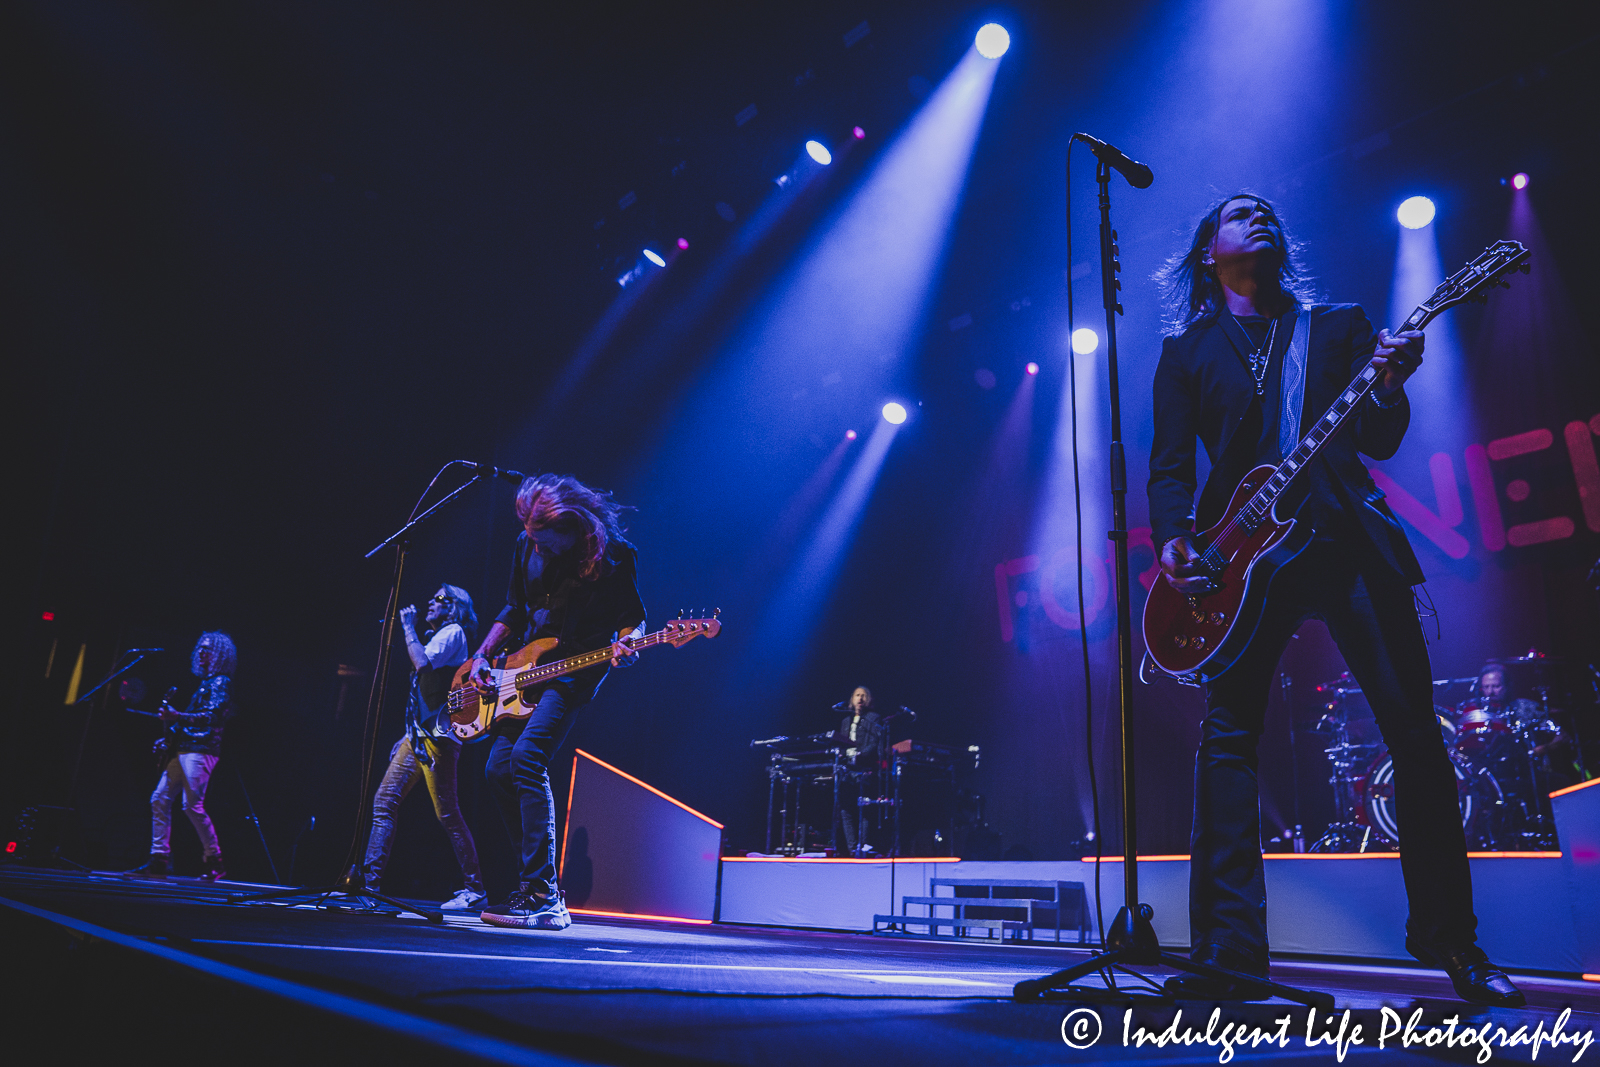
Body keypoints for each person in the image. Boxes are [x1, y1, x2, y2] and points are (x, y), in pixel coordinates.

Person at [1147, 193, 1523, 1005]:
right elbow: (1171, 466)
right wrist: (1176, 539)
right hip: (1241, 561)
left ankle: (1455, 944)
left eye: (1269, 210)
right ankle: (1232, 952)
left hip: (1346, 541)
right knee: (1228, 742)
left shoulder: (1340, 323)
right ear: (1208, 250)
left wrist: (1388, 386)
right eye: (1240, 212)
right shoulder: (1187, 351)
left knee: (1416, 736)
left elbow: (1380, 436)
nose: (1262, 216)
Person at [467, 474, 645, 930]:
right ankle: (533, 884)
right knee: (496, 770)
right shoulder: (525, 544)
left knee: (527, 759)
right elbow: (513, 608)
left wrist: (629, 644)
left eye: (548, 544)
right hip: (523, 669)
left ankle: (544, 895)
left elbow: (633, 619)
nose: (540, 551)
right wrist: (483, 655)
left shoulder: (613, 558)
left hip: (574, 674)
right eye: (534, 542)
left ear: (574, 528)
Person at [354, 584, 486, 910]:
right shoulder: (441, 633)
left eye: (439, 599)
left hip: (439, 738)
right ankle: (369, 887)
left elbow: (422, 663)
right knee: (384, 801)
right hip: (418, 736)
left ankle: (475, 889)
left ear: (454, 607)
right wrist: (407, 733)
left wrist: (408, 628)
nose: (430, 601)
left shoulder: (453, 631)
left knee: (448, 814)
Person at [125, 632, 236, 880]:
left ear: (220, 654)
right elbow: (192, 717)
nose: (201, 652)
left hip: (201, 750)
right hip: (186, 748)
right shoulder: (206, 684)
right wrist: (169, 735)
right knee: (160, 798)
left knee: (191, 806)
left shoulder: (221, 683)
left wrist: (177, 718)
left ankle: (214, 860)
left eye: (208, 649)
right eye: (200, 648)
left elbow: (212, 717)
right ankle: (159, 859)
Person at [834, 686, 882, 855]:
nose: (860, 698)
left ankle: (864, 846)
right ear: (852, 699)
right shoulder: (845, 721)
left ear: (868, 699)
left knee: (865, 808)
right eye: (857, 695)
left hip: (864, 768)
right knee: (845, 809)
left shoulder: (873, 718)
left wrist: (862, 755)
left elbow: (876, 742)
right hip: (847, 769)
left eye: (863, 696)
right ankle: (852, 847)